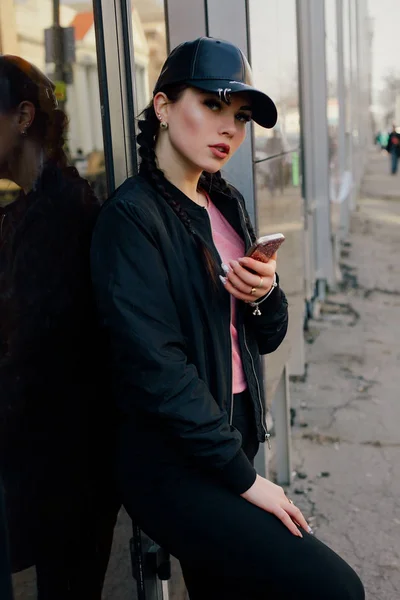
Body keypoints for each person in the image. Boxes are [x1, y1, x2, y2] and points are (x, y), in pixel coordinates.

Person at [91, 37, 365, 599]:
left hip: (231, 434)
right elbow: (158, 372)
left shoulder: (227, 203)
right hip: (174, 462)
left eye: (238, 117)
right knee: (334, 588)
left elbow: (267, 335)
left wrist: (263, 294)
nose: (230, 130)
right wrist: (247, 482)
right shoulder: (131, 219)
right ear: (163, 107)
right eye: (212, 105)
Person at [0, 55, 117, 599]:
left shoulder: (59, 213)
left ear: (23, 117)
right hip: (56, 460)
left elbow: (33, 351)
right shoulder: (36, 206)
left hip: (65, 466)